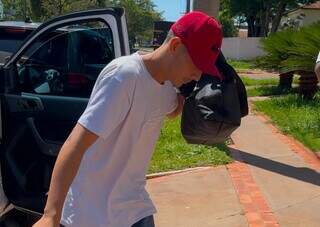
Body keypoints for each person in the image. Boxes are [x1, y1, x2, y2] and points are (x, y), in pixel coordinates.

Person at [33, 11, 222, 227]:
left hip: (134, 209)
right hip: (93, 213)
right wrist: (51, 215)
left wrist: (194, 90)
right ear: (175, 46)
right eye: (197, 64)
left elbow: (171, 110)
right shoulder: (124, 76)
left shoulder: (167, 86)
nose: (198, 74)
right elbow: (74, 145)